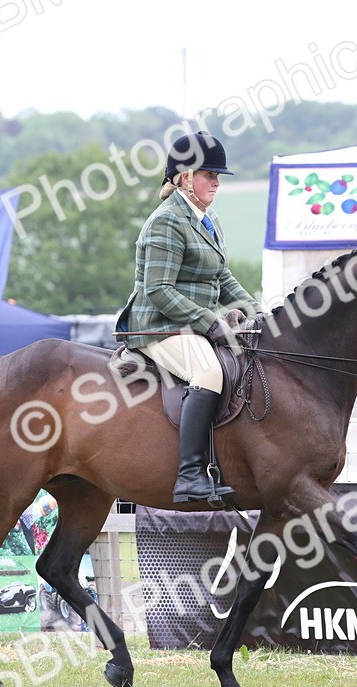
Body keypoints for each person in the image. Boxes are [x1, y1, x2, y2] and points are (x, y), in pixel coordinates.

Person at [115, 131, 261, 504]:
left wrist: (258, 312)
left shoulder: (208, 219)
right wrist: (209, 322)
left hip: (187, 323)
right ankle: (190, 475)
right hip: (158, 325)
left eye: (217, 176)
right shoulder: (167, 222)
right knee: (208, 372)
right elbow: (158, 289)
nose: (215, 182)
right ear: (184, 179)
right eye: (208, 174)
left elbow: (222, 278)